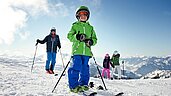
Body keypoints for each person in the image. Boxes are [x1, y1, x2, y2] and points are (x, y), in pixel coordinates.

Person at [67, 6, 97, 93]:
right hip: (77, 51)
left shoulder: (90, 28)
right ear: (78, 16)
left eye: (85, 14)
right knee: (76, 67)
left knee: (85, 68)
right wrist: (77, 36)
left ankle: (83, 84)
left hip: (87, 52)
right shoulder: (75, 26)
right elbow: (69, 36)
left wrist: (91, 41)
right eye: (81, 14)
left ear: (88, 16)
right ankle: (73, 86)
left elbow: (95, 39)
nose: (83, 16)